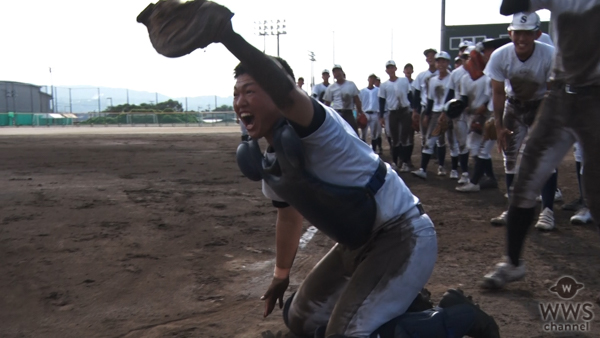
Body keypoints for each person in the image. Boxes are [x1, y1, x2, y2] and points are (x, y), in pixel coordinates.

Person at [136, 1, 502, 336]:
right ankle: (413, 305)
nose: (240, 101)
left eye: (250, 90)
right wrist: (281, 274)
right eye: (236, 93)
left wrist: (226, 36)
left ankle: (458, 318)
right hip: (357, 243)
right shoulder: (271, 154)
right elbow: (288, 217)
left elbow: (284, 93)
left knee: (345, 336)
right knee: (300, 319)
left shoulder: (316, 124)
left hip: (402, 235)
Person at [482, 0, 600, 289]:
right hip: (560, 96)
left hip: (596, 98)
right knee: (525, 177)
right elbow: (509, 6)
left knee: (598, 190)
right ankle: (512, 263)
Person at [483, 12, 559, 231]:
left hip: (541, 105)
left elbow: (552, 93)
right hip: (514, 106)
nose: (522, 39)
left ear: (537, 33)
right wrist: (498, 126)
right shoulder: (500, 55)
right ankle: (513, 207)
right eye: (518, 33)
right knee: (510, 156)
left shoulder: (549, 55)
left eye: (527, 33)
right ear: (510, 33)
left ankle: (547, 211)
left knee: (544, 157)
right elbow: (498, 93)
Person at [456, 38, 512, 193]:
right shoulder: (489, 69)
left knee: (508, 151)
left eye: (488, 50)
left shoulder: (502, 64)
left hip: (504, 112)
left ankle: (477, 182)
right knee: (481, 148)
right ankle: (491, 180)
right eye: (485, 51)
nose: (485, 53)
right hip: (493, 112)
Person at [412, 51, 453, 179]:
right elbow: (430, 99)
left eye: (443, 61)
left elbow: (452, 96)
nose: (441, 64)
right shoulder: (432, 80)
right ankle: (423, 169)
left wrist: (446, 112)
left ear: (447, 63)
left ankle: (455, 170)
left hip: (449, 112)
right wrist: (427, 115)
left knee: (452, 142)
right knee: (430, 140)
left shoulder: (452, 77)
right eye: (438, 61)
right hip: (435, 113)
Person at [379, 60, 413, 172]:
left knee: (405, 137)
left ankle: (404, 161)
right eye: (388, 68)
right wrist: (381, 116)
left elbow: (410, 95)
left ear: (395, 68)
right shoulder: (384, 85)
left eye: (392, 67)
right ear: (386, 70)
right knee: (394, 138)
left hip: (404, 110)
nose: (390, 70)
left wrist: (414, 110)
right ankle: (395, 161)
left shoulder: (403, 81)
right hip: (392, 112)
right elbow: (382, 101)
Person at [323, 65, 364, 135]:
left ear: (342, 72)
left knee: (354, 133)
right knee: (335, 134)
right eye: (335, 72)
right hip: (336, 113)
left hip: (348, 112)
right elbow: (327, 103)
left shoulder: (351, 84)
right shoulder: (331, 88)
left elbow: (357, 100)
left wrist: (360, 112)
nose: (337, 73)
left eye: (338, 71)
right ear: (333, 75)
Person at [411, 48, 439, 148]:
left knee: (438, 134)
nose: (430, 57)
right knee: (424, 133)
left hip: (438, 108)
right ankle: (426, 150)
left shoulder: (443, 74)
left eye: (432, 55)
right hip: (425, 106)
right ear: (426, 59)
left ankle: (436, 154)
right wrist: (415, 111)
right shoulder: (421, 76)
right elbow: (417, 95)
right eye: (428, 56)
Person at [359, 74, 383, 152]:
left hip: (375, 113)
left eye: (374, 79)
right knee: (363, 133)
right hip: (365, 113)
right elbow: (359, 102)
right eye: (371, 78)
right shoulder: (362, 91)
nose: (372, 80)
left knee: (374, 134)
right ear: (368, 79)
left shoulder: (378, 90)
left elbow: (381, 102)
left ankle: (374, 150)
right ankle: (363, 151)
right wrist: (359, 113)